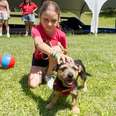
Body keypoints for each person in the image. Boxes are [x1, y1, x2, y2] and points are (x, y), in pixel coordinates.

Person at [28, 1, 72, 88]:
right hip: (39, 60)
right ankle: (44, 71)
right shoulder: (36, 29)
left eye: (53, 20)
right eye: (45, 19)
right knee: (32, 84)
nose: (49, 24)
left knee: (57, 47)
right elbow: (39, 44)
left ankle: (49, 75)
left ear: (59, 19)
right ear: (40, 17)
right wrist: (55, 53)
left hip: (54, 62)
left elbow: (64, 52)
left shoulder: (61, 35)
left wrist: (62, 52)